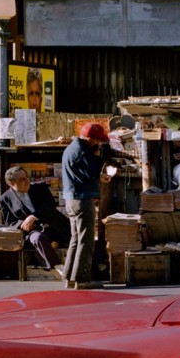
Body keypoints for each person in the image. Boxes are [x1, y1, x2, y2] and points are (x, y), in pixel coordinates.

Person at [61, 122, 113, 290]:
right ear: (91, 139)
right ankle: (82, 279)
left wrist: (99, 177)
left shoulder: (71, 149)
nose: (99, 144)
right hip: (82, 200)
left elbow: (83, 174)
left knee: (76, 239)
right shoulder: (82, 151)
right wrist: (100, 156)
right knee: (86, 240)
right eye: (98, 141)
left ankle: (69, 277)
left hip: (71, 199)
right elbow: (92, 169)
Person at [0, 165, 70, 273]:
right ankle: (58, 267)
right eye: (22, 179)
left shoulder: (40, 188)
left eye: (26, 177)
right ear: (12, 184)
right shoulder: (4, 200)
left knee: (79, 233)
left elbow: (50, 206)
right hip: (34, 230)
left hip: (55, 224)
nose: (27, 181)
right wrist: (23, 223)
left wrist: (33, 216)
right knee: (37, 238)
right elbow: (9, 223)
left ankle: (97, 265)